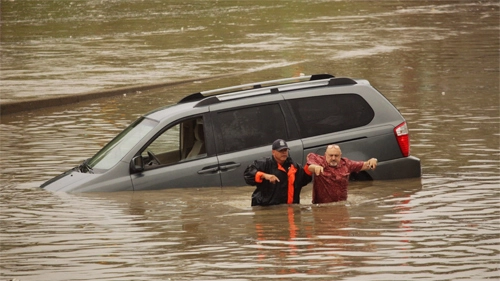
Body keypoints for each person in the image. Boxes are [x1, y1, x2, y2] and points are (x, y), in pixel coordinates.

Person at [244, 139, 313, 206]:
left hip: (290, 209)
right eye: (280, 150)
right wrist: (265, 176)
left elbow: (304, 179)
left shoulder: (294, 166)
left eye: (285, 150)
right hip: (266, 209)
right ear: (273, 152)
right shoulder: (264, 164)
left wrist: (311, 165)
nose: (284, 153)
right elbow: (248, 174)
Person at [307, 144, 378, 204]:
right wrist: (316, 167)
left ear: (340, 155)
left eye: (336, 155)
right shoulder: (319, 161)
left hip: (341, 204)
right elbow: (310, 166)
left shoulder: (347, 164)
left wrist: (373, 160)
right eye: (331, 155)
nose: (333, 158)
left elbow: (366, 165)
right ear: (325, 155)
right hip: (321, 206)